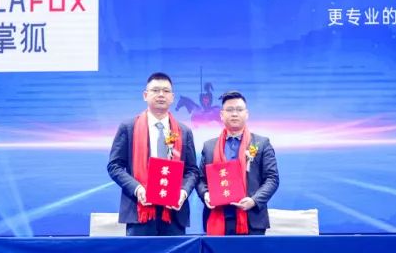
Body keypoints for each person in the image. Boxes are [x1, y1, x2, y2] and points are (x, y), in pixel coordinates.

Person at [107, 72, 199, 235]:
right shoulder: (128, 127)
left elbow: (192, 170)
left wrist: (183, 193)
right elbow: (115, 166)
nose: (161, 95)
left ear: (172, 97)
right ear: (145, 95)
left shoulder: (184, 131)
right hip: (139, 211)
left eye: (166, 91)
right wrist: (137, 189)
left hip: (174, 212)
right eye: (155, 90)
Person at [196, 91, 279, 235]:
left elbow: (272, 179)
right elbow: (200, 179)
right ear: (221, 115)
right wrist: (206, 195)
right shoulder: (209, 146)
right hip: (218, 218)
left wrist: (254, 200)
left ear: (246, 114)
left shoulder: (262, 143)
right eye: (229, 110)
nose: (234, 114)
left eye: (239, 110)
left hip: (251, 220)